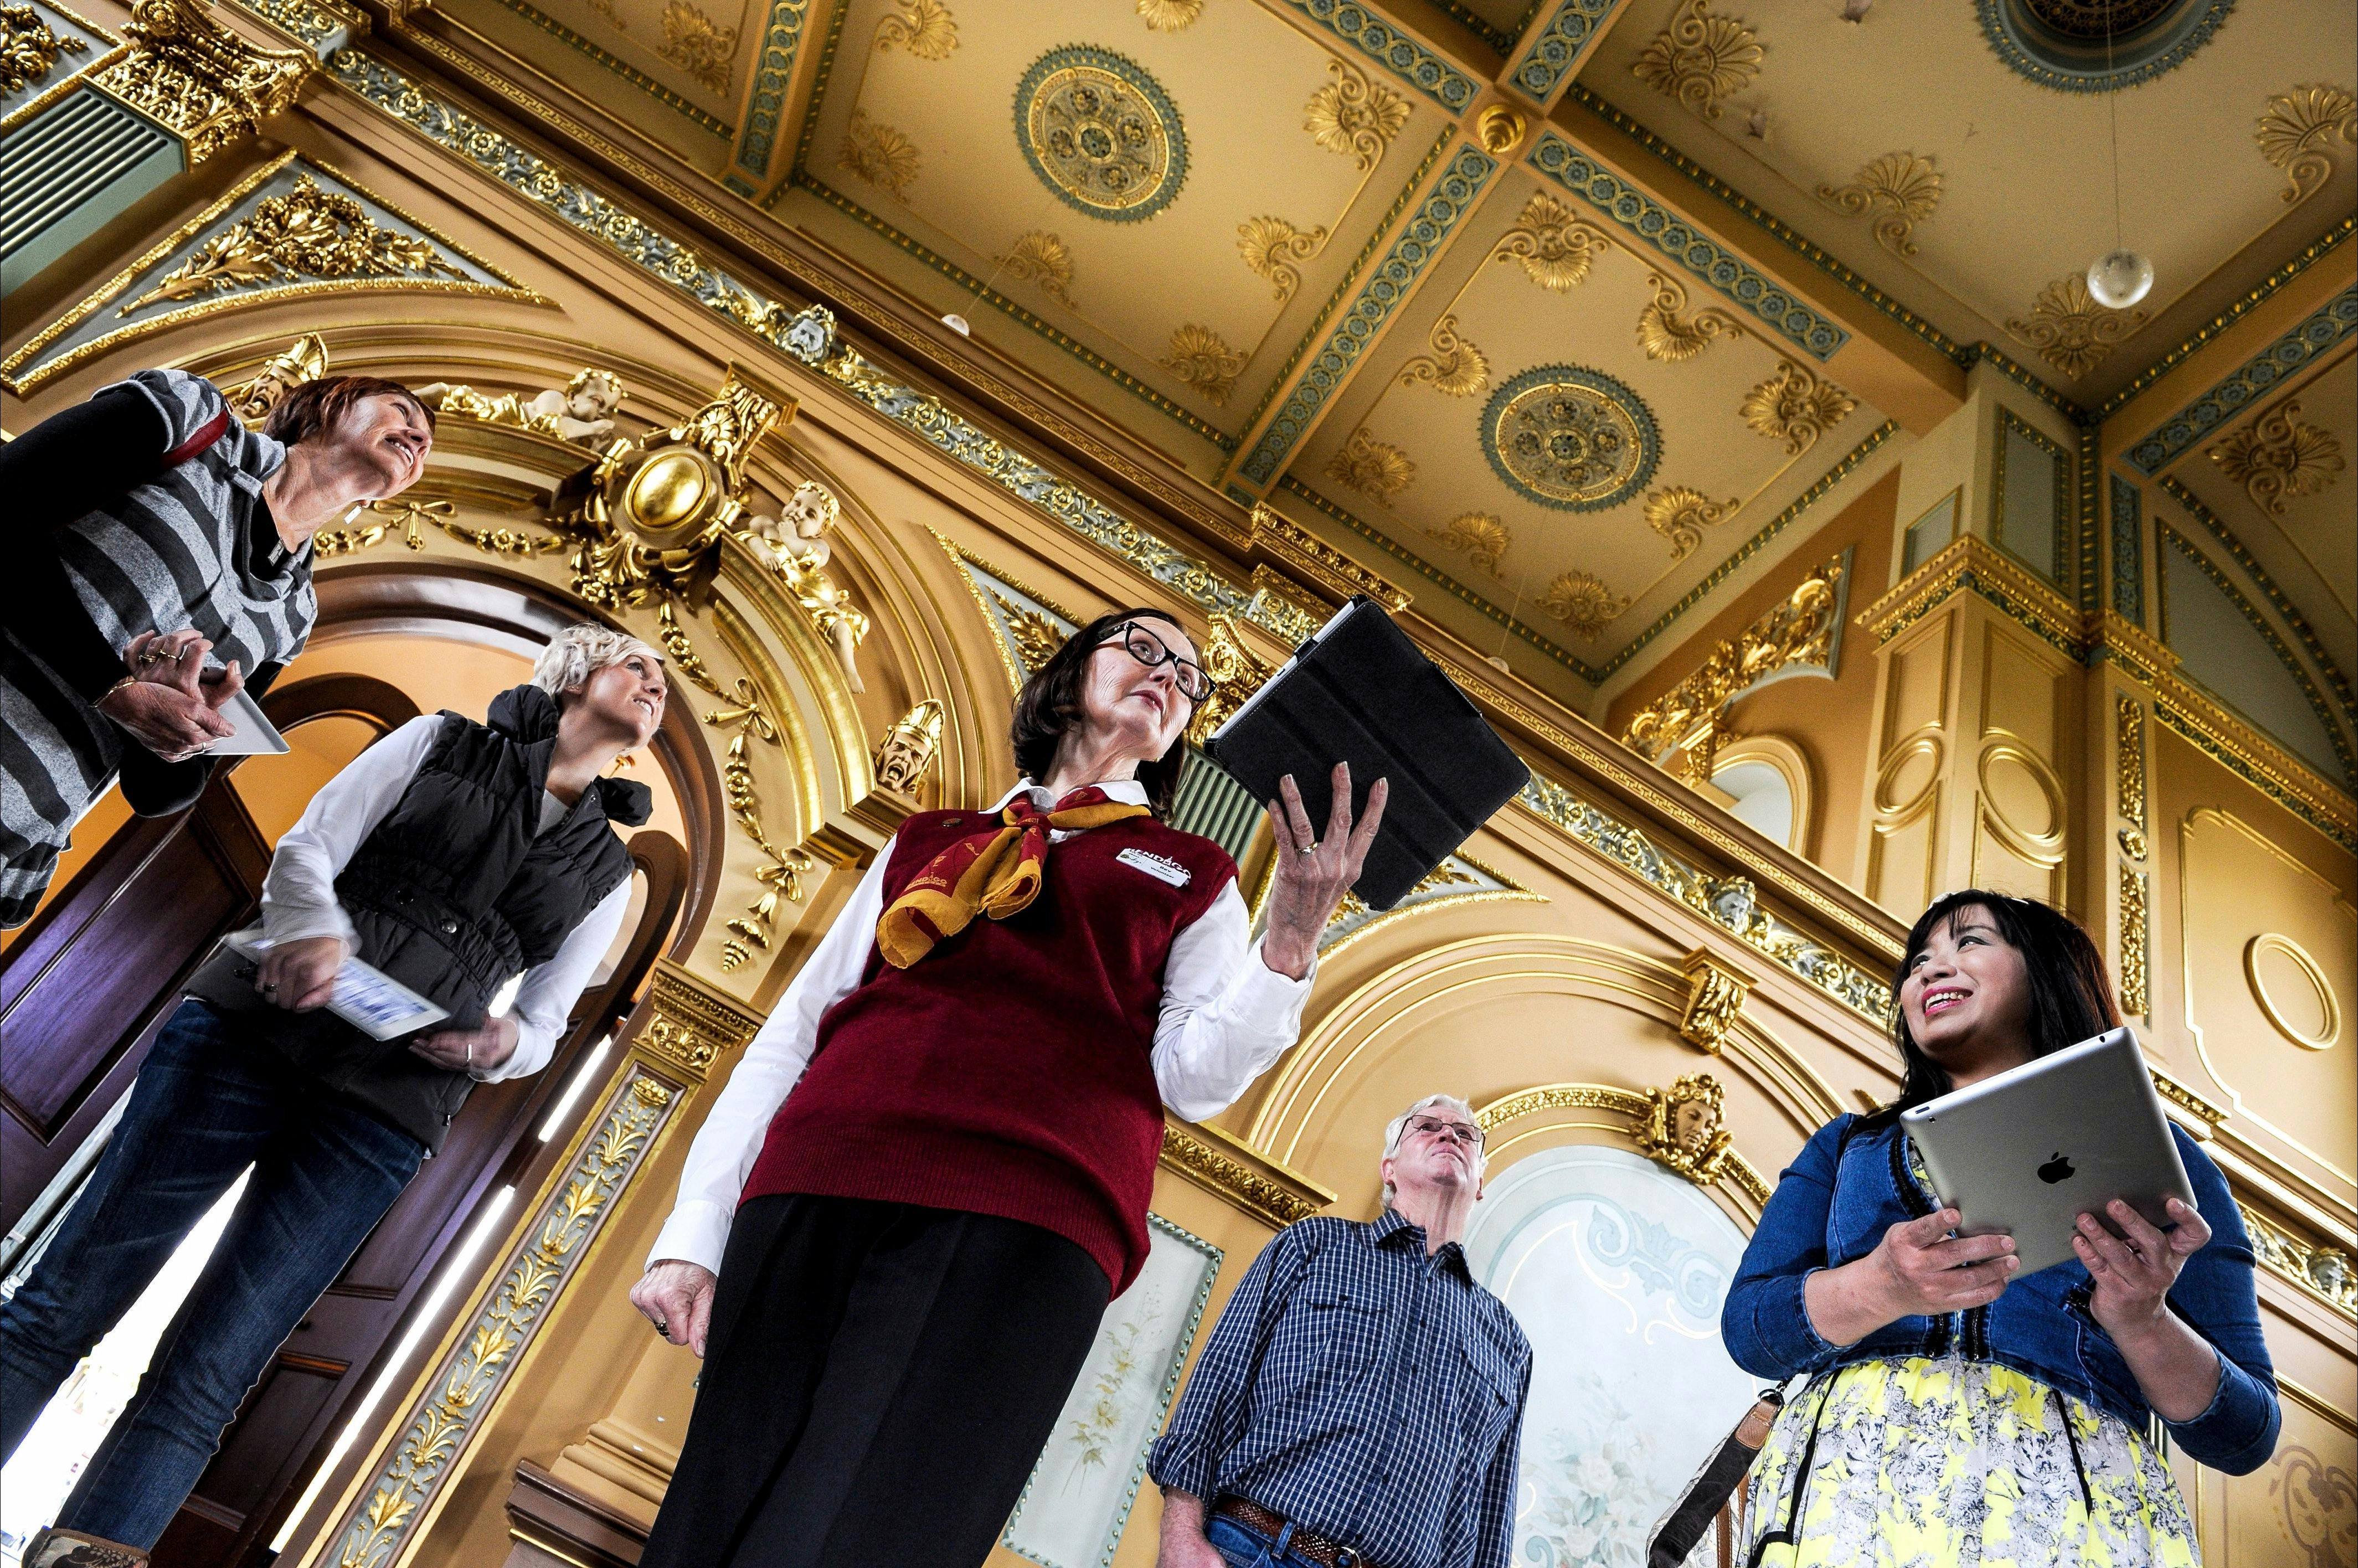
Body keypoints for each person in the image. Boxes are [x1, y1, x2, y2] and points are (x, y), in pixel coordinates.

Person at [629, 608, 1387, 1568]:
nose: (1170, 677)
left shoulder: (1190, 873)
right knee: (715, 1509)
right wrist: (695, 1235)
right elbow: (789, 1037)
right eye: (1144, 650)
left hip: (1023, 1222)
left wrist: (1286, 947)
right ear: (1070, 674)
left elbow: (1190, 1079)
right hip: (817, 1179)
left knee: (877, 1532)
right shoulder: (925, 839)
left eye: (1191, 682)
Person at [0, 624, 666, 1564]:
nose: (654, 683)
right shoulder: (437, 739)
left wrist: (498, 1040)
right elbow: (310, 846)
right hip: (251, 1029)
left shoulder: (611, 873)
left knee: (211, 1372)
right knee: (65, 1298)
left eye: (664, 681)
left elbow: (548, 1021)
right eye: (638, 662)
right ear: (573, 674)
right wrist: (313, 931)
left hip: (388, 1109)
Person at [1721, 889, 2279, 1567]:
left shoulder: (2169, 1159)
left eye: (1970, 943)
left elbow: (2242, 1435)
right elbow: (1751, 1331)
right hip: (1851, 1497)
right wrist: (1882, 1286)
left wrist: (2140, 1320)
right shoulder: (1843, 1149)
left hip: (2079, 1510)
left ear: (2044, 971)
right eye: (1918, 961)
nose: (1928, 970)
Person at [0, 366, 435, 927]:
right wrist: (113, 688)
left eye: (426, 445)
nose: (418, 439)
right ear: (328, 402)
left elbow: (162, 792)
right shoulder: (194, 422)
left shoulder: (292, 617)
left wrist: (172, 736)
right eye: (402, 411)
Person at [1149, 1093, 1532, 1568]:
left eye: (1466, 1134)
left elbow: (1490, 1517)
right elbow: (1217, 1388)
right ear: (1389, 1168)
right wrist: (1181, 1534)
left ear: (1479, 1186)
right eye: (1427, 1126)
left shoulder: (1508, 1342)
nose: (1449, 1134)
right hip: (1251, 1548)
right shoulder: (1314, 1246)